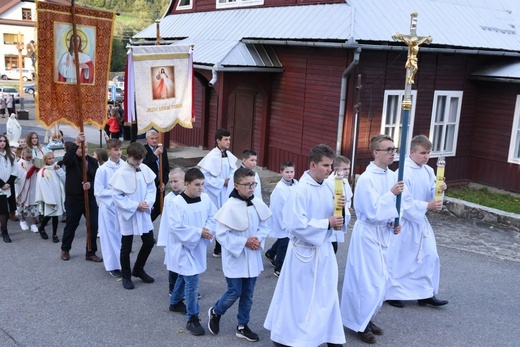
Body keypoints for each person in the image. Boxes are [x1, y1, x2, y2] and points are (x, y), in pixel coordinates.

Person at [264, 144, 346, 347]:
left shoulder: (328, 187)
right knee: (299, 299)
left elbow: (338, 220)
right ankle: (287, 337)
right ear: (313, 165)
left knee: (326, 295)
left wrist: (341, 210)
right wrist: (327, 222)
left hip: (324, 251)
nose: (330, 170)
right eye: (326, 165)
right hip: (303, 253)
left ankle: (329, 336)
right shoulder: (299, 191)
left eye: (331, 165)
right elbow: (294, 224)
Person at [340, 134, 403, 344]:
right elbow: (370, 210)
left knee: (382, 280)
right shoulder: (366, 178)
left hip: (383, 232)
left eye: (394, 149)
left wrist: (396, 220)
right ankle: (359, 323)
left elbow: (398, 204)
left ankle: (368, 316)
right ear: (376, 152)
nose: (392, 153)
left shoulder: (393, 176)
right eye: (388, 149)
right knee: (367, 281)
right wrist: (391, 194)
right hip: (368, 233)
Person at [385, 135, 449, 308]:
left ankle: (425, 293)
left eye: (428, 153)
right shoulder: (404, 171)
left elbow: (431, 194)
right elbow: (404, 202)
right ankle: (392, 292)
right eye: (422, 153)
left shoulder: (428, 170)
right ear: (412, 152)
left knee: (429, 255)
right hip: (405, 221)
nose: (426, 157)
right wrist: (427, 205)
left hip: (420, 222)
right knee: (401, 258)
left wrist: (439, 190)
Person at [207, 168, 271, 342]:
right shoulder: (229, 206)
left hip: (252, 255)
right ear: (236, 185)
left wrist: (257, 239)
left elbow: (265, 224)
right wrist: (244, 242)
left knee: (248, 294)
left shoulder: (257, 202)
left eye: (253, 184)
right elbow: (221, 235)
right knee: (234, 291)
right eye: (247, 184)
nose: (251, 188)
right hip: (236, 257)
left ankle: (242, 326)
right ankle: (216, 311)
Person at [167, 168, 217, 336]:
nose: (201, 188)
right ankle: (192, 318)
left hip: (198, 245)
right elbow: (175, 227)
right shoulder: (176, 203)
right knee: (192, 279)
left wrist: (207, 230)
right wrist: (198, 232)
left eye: (202, 184)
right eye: (197, 185)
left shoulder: (206, 198)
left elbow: (213, 217)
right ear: (187, 184)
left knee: (186, 275)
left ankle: (174, 302)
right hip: (183, 246)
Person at [109, 142, 156, 290]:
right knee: (126, 247)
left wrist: (147, 202)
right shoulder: (121, 173)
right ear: (128, 156)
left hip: (143, 211)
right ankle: (126, 275)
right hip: (129, 213)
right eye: (136, 160)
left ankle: (138, 269)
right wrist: (135, 205)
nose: (139, 162)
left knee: (149, 242)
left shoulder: (144, 168)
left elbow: (151, 188)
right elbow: (117, 196)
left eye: (141, 159)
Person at [60, 132, 102, 262]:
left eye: (85, 147)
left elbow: (98, 180)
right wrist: (76, 143)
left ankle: (90, 252)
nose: (83, 150)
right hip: (74, 199)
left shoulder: (93, 162)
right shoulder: (71, 160)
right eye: (80, 147)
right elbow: (66, 160)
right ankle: (65, 249)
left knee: (93, 225)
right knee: (71, 225)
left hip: (89, 199)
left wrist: (91, 185)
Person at [197, 128, 237, 257]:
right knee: (216, 218)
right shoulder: (211, 156)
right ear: (218, 140)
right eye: (226, 139)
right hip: (216, 192)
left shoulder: (229, 155)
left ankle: (221, 246)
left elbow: (233, 170)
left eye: (229, 139)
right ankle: (208, 244)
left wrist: (230, 180)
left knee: (227, 218)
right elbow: (204, 176)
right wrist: (221, 182)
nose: (228, 142)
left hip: (227, 191)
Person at [94, 139, 124, 278]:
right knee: (110, 236)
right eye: (115, 150)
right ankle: (113, 265)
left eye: (120, 149)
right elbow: (99, 191)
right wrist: (115, 193)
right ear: (109, 151)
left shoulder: (125, 166)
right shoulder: (102, 170)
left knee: (122, 236)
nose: (118, 152)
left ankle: (123, 262)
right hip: (108, 207)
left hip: (122, 207)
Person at [264, 161, 298, 277]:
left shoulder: (296, 184)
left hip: (292, 218)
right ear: (281, 172)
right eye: (287, 172)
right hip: (283, 220)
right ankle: (279, 267)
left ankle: (270, 253)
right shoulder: (280, 189)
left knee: (284, 239)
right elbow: (277, 209)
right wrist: (284, 224)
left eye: (292, 172)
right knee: (285, 241)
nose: (289, 175)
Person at [157, 167, 186, 295]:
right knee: (174, 262)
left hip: (186, 234)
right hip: (173, 236)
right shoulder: (169, 198)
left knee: (186, 264)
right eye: (171, 182)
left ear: (185, 180)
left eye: (176, 181)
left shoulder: (189, 195)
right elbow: (167, 220)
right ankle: (173, 288)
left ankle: (189, 288)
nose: (173, 184)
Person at [35, 152, 66, 243]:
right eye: (49, 158)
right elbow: (43, 186)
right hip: (49, 197)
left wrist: (59, 170)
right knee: (49, 214)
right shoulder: (43, 171)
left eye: (53, 158)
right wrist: (49, 199)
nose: (52, 160)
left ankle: (54, 234)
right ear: (45, 160)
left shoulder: (55, 169)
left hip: (57, 195)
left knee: (55, 216)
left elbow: (64, 179)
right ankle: (42, 228)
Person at [326, 155, 353, 254]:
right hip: (331, 218)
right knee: (331, 248)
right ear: (336, 169)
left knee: (334, 247)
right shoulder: (328, 182)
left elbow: (348, 198)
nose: (347, 171)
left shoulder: (345, 181)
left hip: (340, 218)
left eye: (348, 169)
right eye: (344, 169)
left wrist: (347, 208)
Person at [143, 129, 169, 222]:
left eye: (156, 138)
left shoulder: (162, 150)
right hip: (148, 183)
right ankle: (146, 226)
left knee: (159, 207)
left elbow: (166, 169)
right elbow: (144, 165)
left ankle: (147, 224)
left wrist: (164, 183)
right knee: (148, 206)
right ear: (147, 139)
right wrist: (155, 155)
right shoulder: (143, 149)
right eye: (152, 138)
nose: (154, 140)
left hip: (160, 183)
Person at [15, 148, 39, 233]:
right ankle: (22, 221)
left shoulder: (33, 162)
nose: (29, 158)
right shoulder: (19, 164)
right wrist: (34, 167)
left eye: (30, 156)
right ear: (23, 155)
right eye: (27, 157)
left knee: (34, 205)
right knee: (22, 205)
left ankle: (33, 224)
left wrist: (38, 166)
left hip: (33, 186)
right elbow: (26, 176)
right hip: (23, 188)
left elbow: (37, 172)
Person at [0, 135, 18, 243]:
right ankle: (5, 232)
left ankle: (3, 229)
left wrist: (9, 183)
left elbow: (15, 170)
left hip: (9, 186)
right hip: (0, 186)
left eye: (4, 141)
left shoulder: (11, 155)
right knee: (3, 211)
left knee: (9, 209)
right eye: (0, 141)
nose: (2, 143)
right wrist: (1, 184)